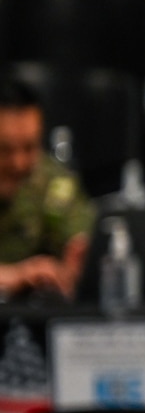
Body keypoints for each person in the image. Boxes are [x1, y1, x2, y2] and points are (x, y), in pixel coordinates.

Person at [0, 79, 93, 300]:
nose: (19, 163)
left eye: (29, 147)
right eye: (4, 149)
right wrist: (17, 276)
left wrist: (77, 261)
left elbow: (78, 234)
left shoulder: (53, 182)